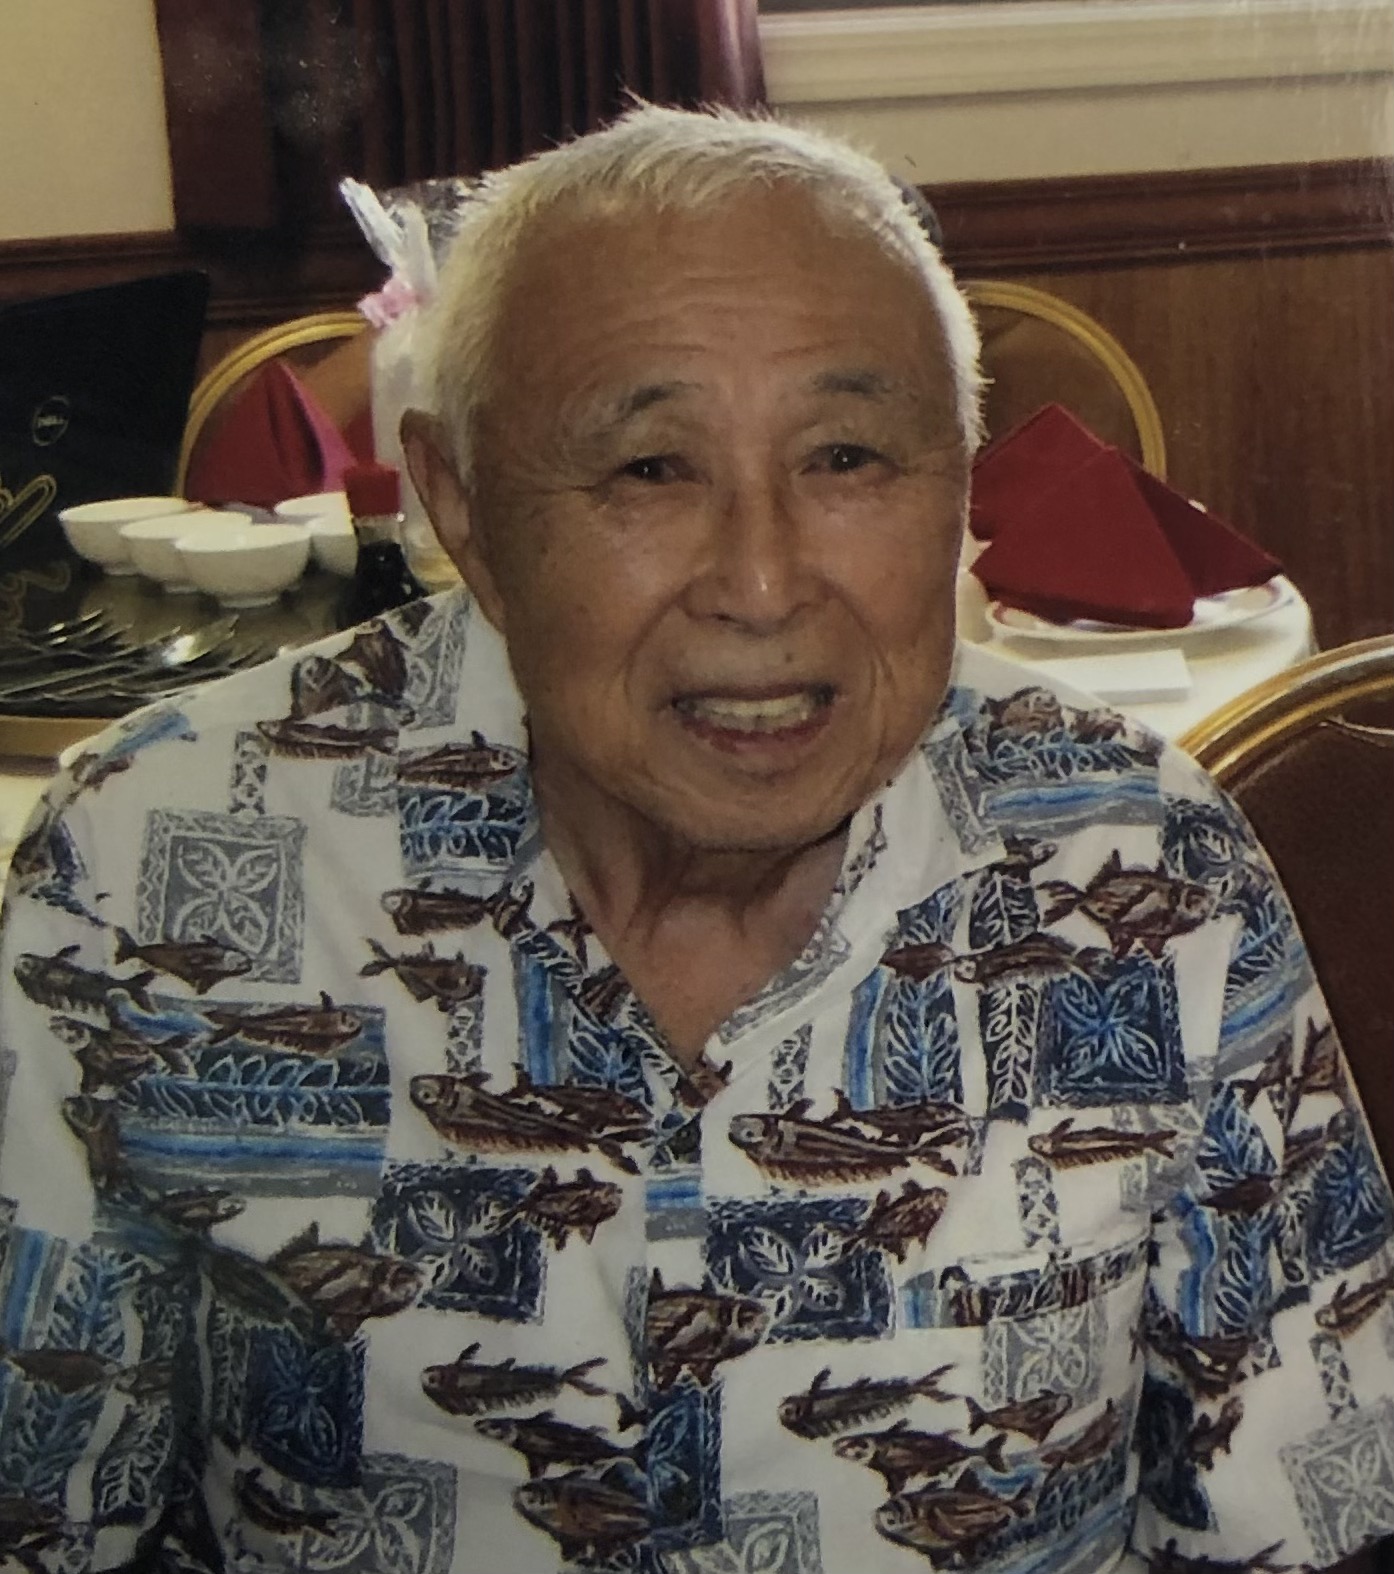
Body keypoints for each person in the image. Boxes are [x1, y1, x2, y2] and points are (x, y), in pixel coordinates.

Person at [1, 105, 1392, 1574]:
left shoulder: (1139, 866)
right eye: (649, 470)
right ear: (461, 505)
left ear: (960, 483)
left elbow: (1303, 1512)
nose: (762, 579)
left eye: (847, 456)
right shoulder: (154, 860)